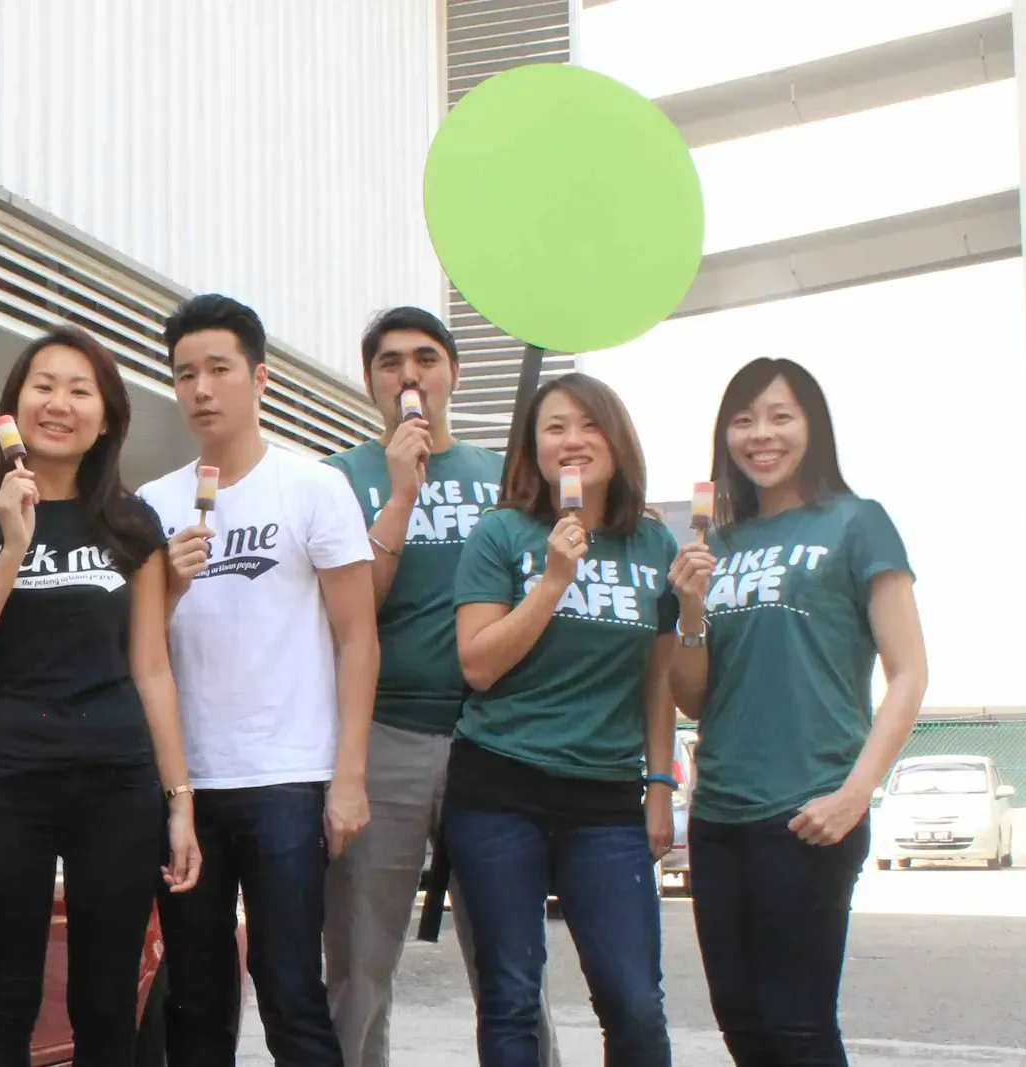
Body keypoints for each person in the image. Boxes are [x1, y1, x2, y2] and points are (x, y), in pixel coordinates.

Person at [0, 324, 200, 1067]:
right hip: (7, 780)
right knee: (3, 1001)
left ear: (106, 419)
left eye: (81, 391)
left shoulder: (132, 524)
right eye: (43, 385)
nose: (60, 403)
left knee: (106, 1003)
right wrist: (13, 546)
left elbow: (152, 668)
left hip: (116, 783)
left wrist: (180, 800)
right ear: (14, 406)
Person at [136, 293, 378, 1067]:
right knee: (195, 997)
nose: (201, 389)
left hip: (287, 776)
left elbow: (358, 638)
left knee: (289, 988)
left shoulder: (313, 487)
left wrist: (349, 777)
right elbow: (141, 649)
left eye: (219, 369)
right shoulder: (153, 505)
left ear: (260, 377)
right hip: (188, 785)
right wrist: (170, 581)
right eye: (185, 374)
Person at [668, 357, 927, 1067]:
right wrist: (689, 608)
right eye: (743, 420)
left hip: (809, 810)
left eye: (780, 416)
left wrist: (854, 794)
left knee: (798, 1029)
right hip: (719, 815)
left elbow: (909, 672)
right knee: (743, 1026)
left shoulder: (858, 522)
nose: (761, 434)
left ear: (813, 426)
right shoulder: (715, 545)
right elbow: (693, 697)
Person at [319, 307, 559, 1067]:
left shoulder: (508, 476)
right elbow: (350, 610)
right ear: (370, 381)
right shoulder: (340, 478)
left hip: (494, 737)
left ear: (453, 371)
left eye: (426, 358)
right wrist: (399, 494)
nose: (409, 374)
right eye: (390, 362)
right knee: (359, 959)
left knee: (511, 962)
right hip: (382, 733)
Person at [447, 373, 677, 1067]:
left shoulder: (654, 546)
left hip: (605, 798)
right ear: (533, 448)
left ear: (618, 439)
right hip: (498, 787)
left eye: (589, 424)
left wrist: (659, 784)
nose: (573, 440)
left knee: (635, 1003)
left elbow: (659, 679)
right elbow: (478, 665)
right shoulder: (502, 533)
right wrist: (552, 581)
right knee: (511, 997)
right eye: (555, 427)